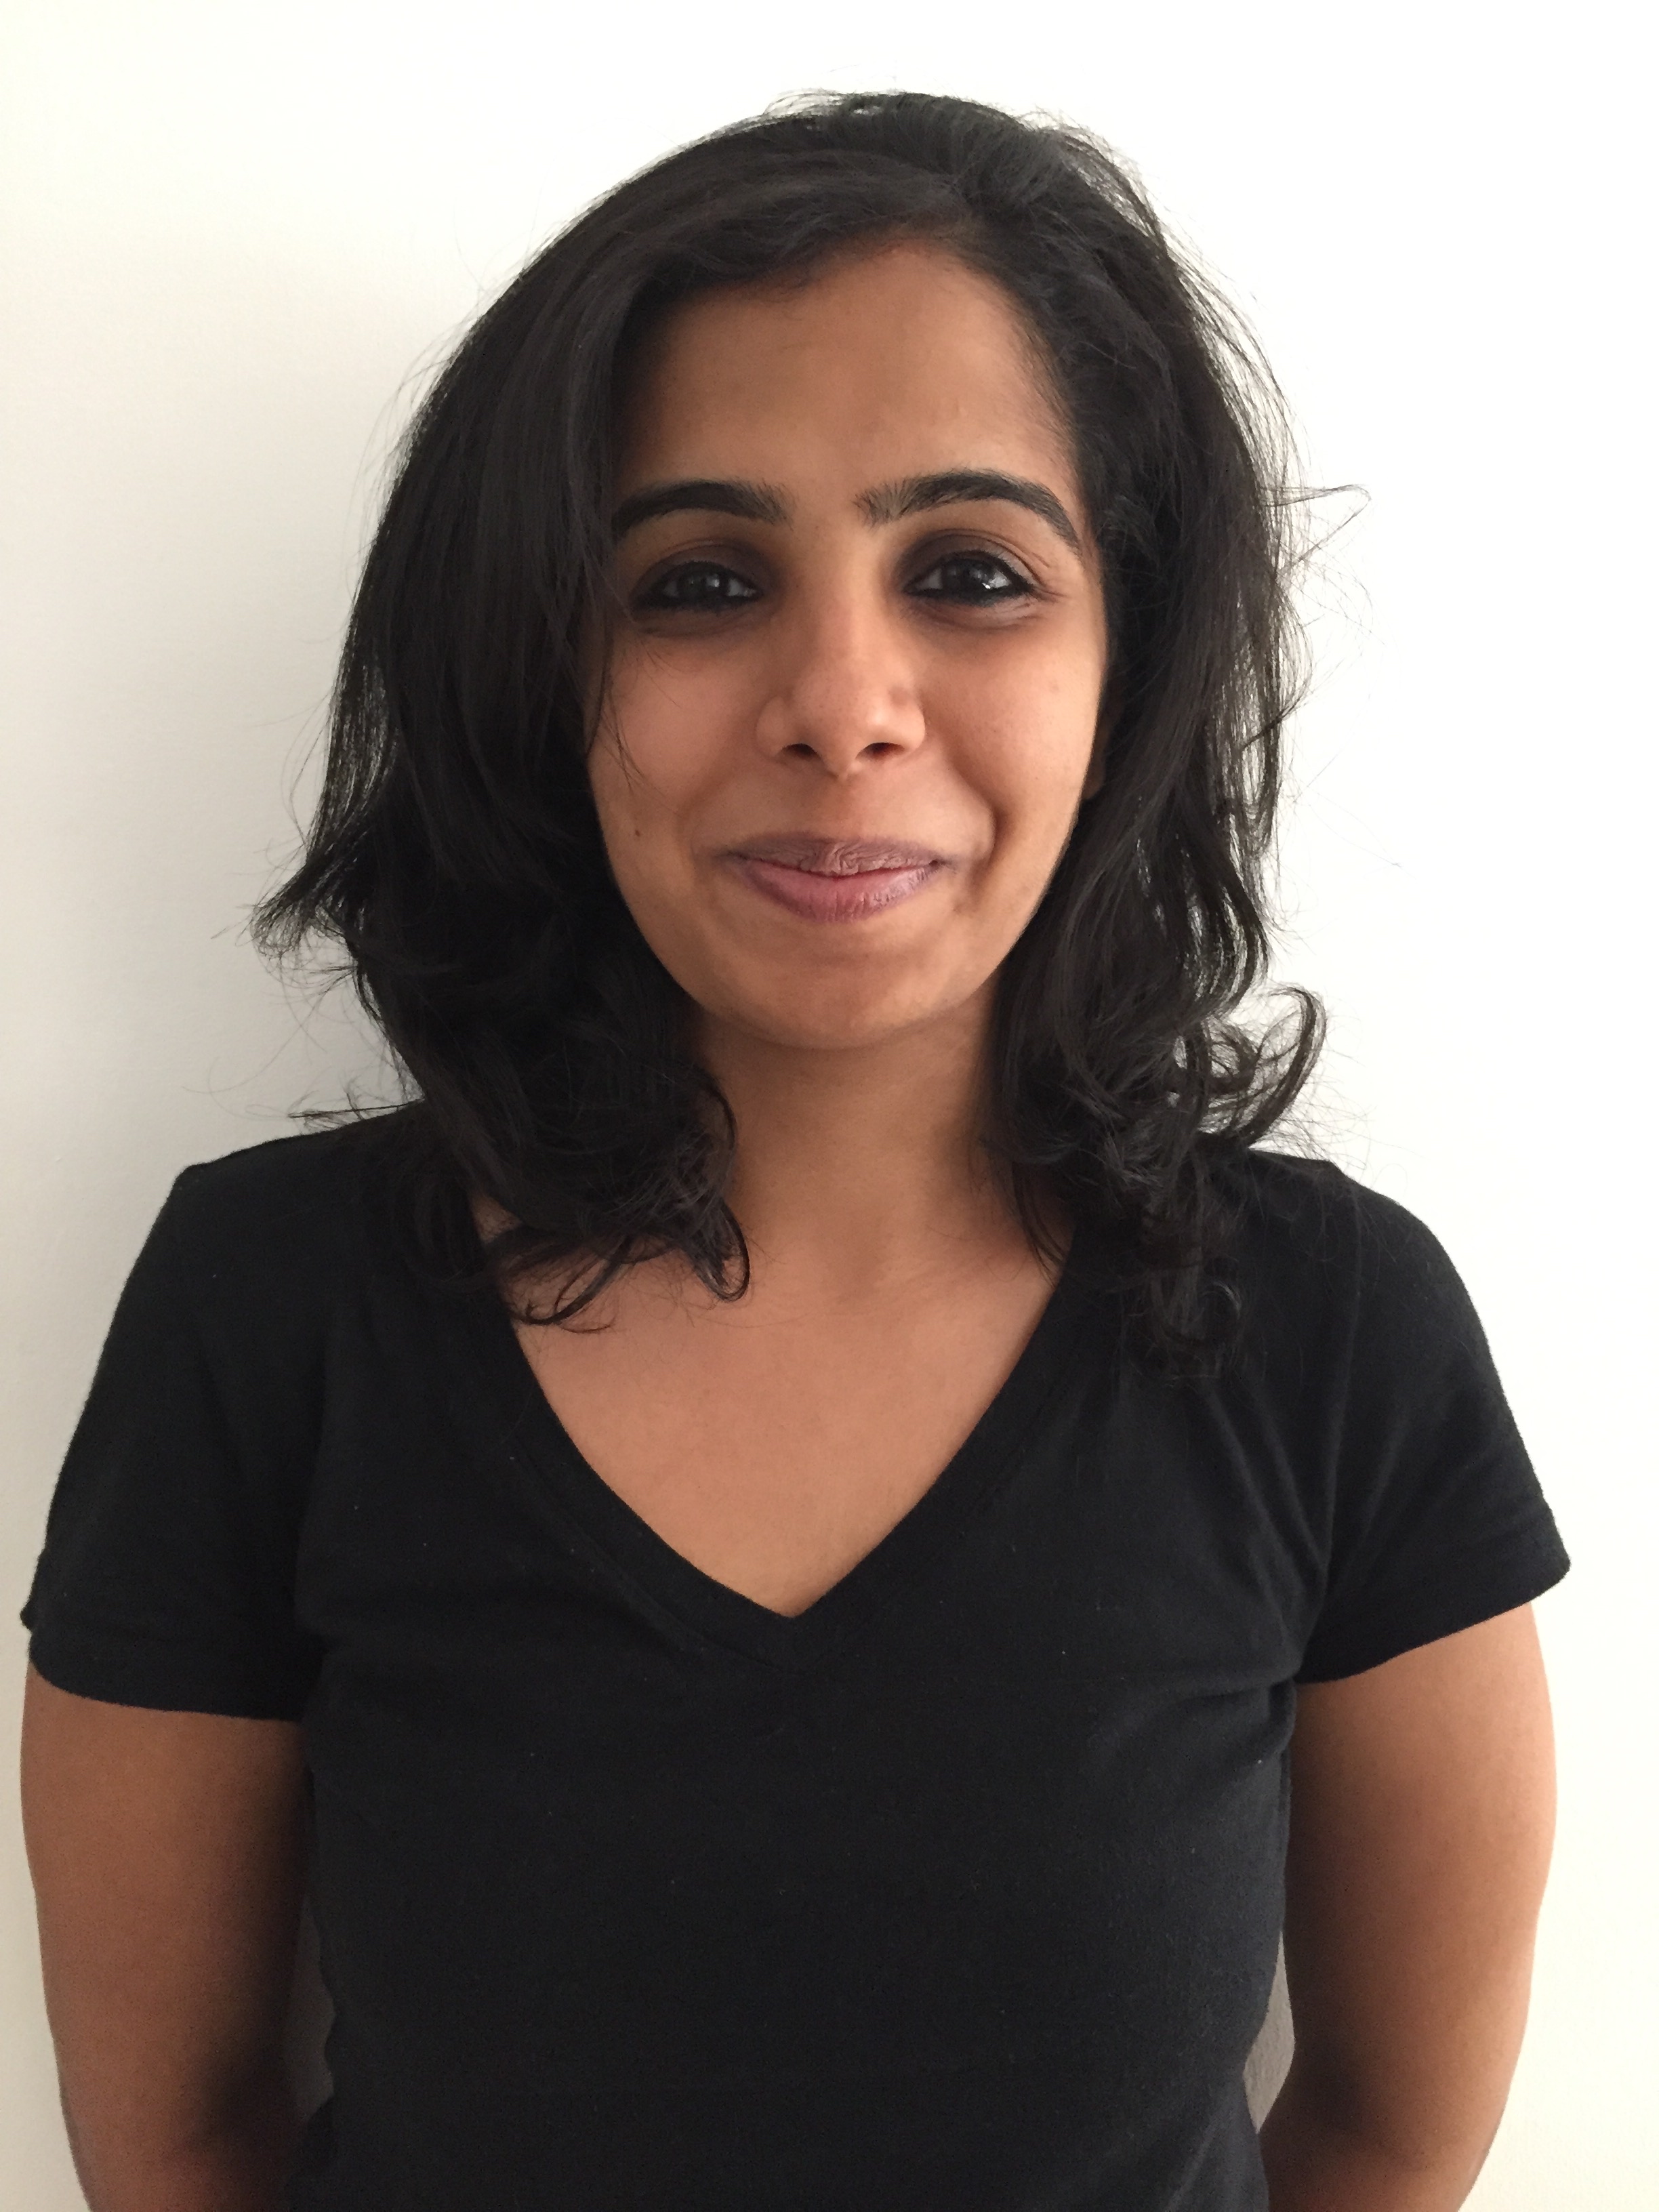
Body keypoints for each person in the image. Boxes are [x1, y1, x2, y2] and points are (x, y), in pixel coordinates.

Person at [18, 89, 1570, 2212]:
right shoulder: (272, 1305)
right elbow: (180, 2138)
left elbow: (1390, 2129)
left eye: (973, 572)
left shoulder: (1335, 1332)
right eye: (702, 581)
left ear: (1126, 659)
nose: (844, 701)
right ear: (538, 662)